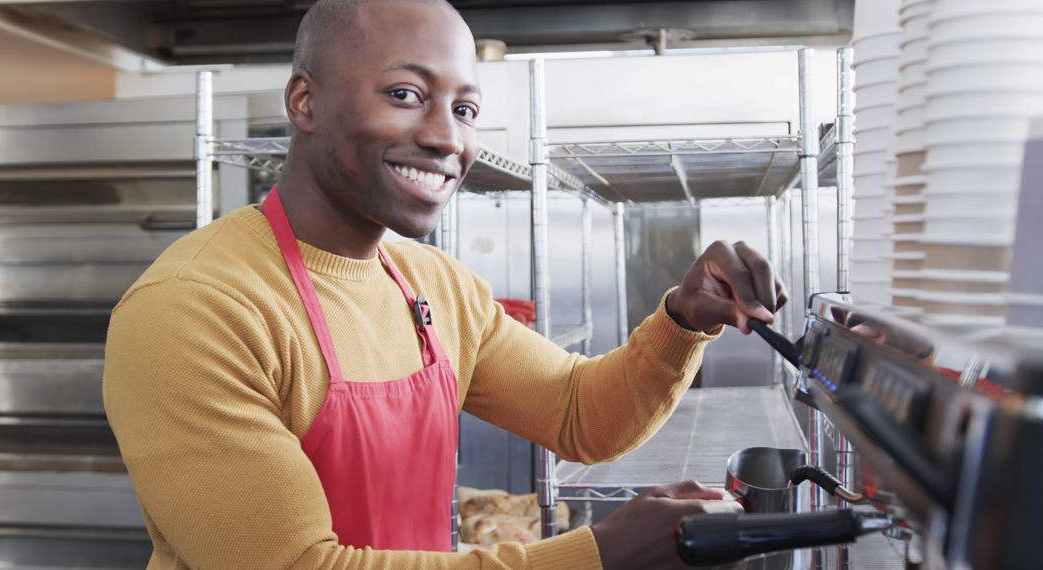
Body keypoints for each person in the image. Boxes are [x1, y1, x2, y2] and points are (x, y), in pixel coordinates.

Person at [102, 0, 788, 568]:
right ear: (305, 101)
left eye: (464, 109)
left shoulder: (435, 286)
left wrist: (684, 319)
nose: (445, 138)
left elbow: (581, 415)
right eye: (405, 95)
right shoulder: (195, 308)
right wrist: (598, 554)